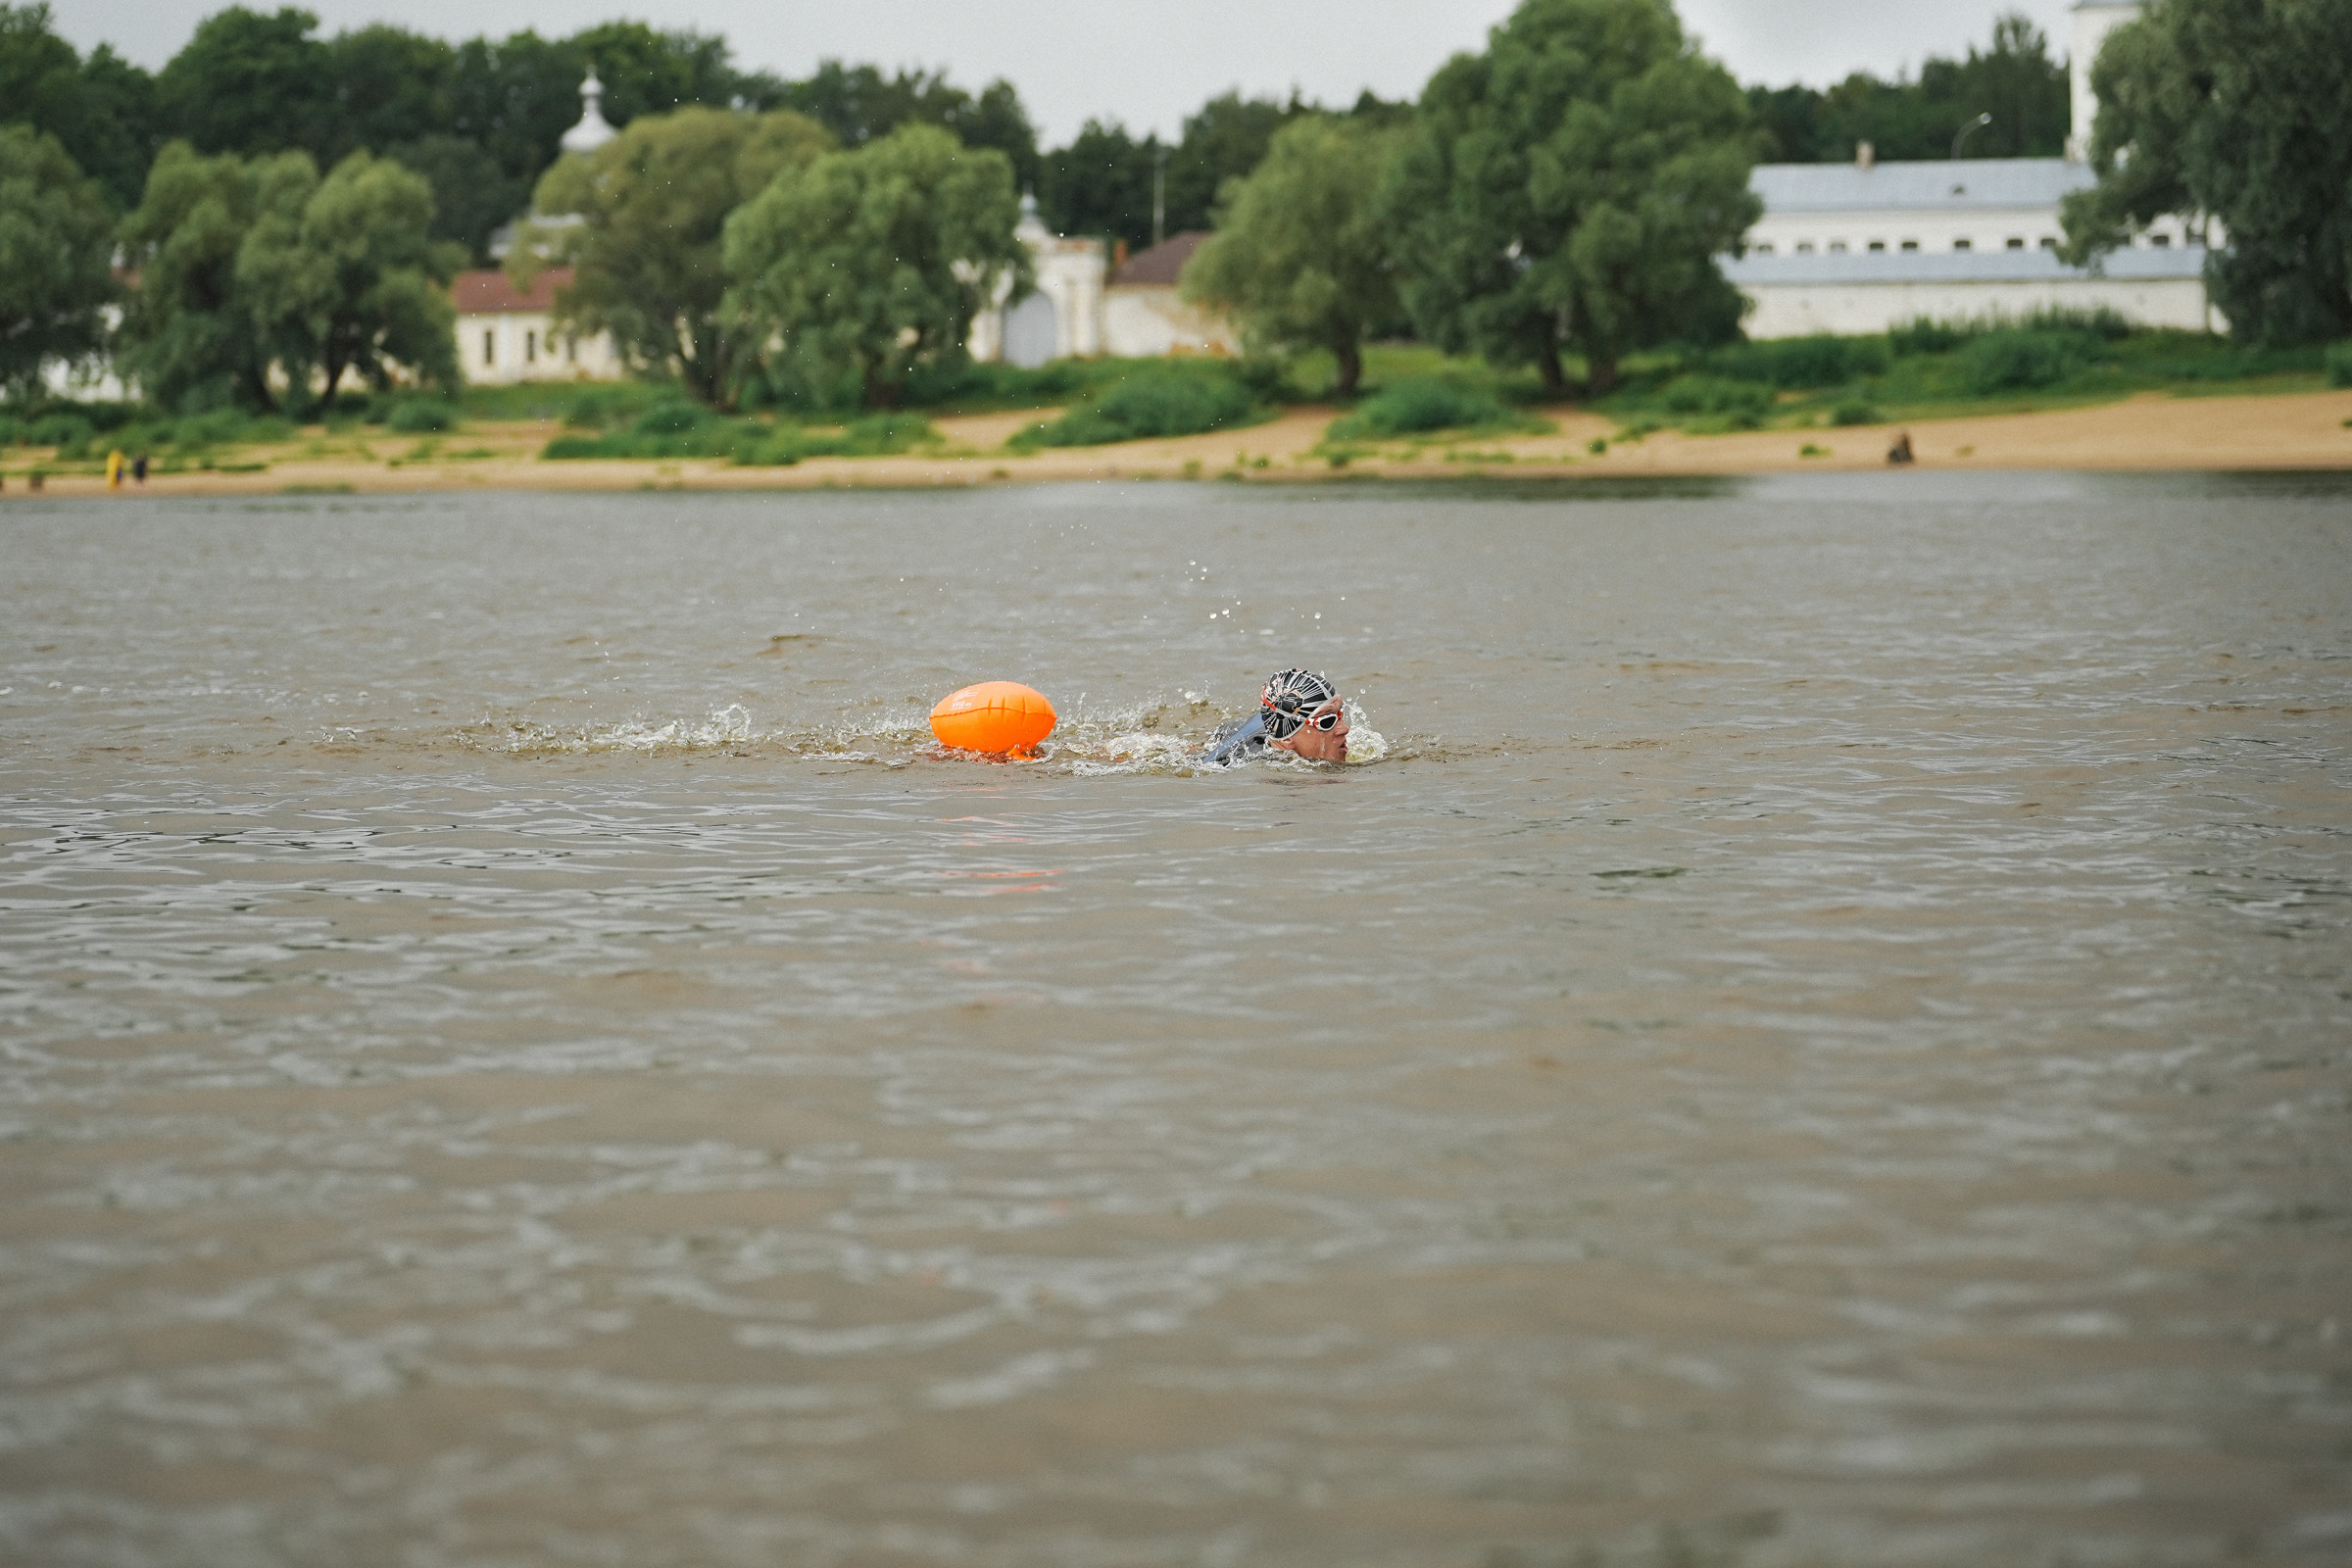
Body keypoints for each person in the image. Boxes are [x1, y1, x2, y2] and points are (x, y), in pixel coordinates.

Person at [1205, 668, 1350, 765]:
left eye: (1339, 713)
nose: (1344, 729)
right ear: (1287, 738)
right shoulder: (1238, 763)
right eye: (1327, 721)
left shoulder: (1278, 723)